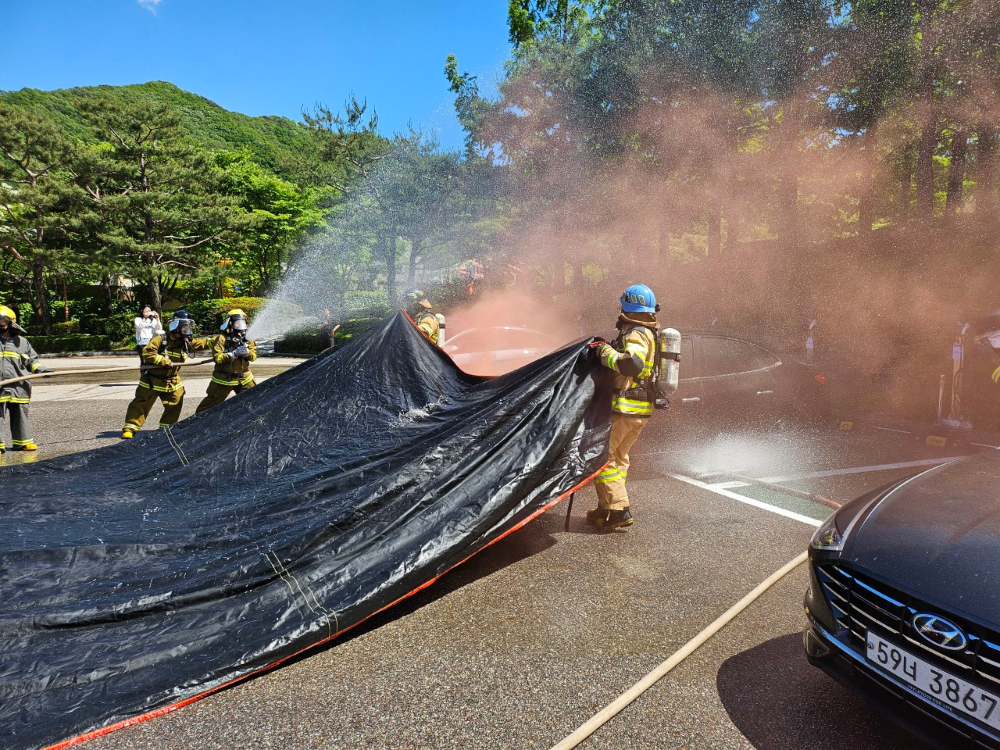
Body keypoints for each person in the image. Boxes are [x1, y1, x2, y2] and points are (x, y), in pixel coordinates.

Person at [588, 284, 660, 530]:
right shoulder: (649, 332)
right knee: (618, 458)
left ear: (628, 305)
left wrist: (604, 352)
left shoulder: (635, 333)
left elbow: (631, 364)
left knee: (601, 458)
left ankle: (619, 509)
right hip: (640, 410)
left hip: (625, 407)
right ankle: (608, 507)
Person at [121, 310, 212, 439]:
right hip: (152, 380)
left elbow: (203, 343)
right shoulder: (161, 339)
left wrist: (219, 340)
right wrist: (163, 360)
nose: (188, 331)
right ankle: (130, 428)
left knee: (175, 402)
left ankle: (166, 429)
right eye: (185, 327)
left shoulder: (185, 343)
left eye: (189, 327)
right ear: (176, 327)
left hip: (172, 380)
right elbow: (147, 352)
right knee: (141, 404)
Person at [0, 304, 50, 452]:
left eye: (2, 321)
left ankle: (22, 442)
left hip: (19, 386)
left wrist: (42, 370)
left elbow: (32, 361)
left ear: (10, 323)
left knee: (20, 414)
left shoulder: (21, 342)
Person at [195, 309, 258, 413]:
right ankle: (195, 425)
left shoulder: (248, 338)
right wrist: (233, 354)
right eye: (237, 323)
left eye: (242, 323)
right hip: (223, 379)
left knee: (254, 401)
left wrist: (248, 353)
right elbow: (217, 358)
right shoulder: (221, 338)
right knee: (207, 408)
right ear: (230, 323)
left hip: (244, 378)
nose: (240, 326)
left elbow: (254, 357)